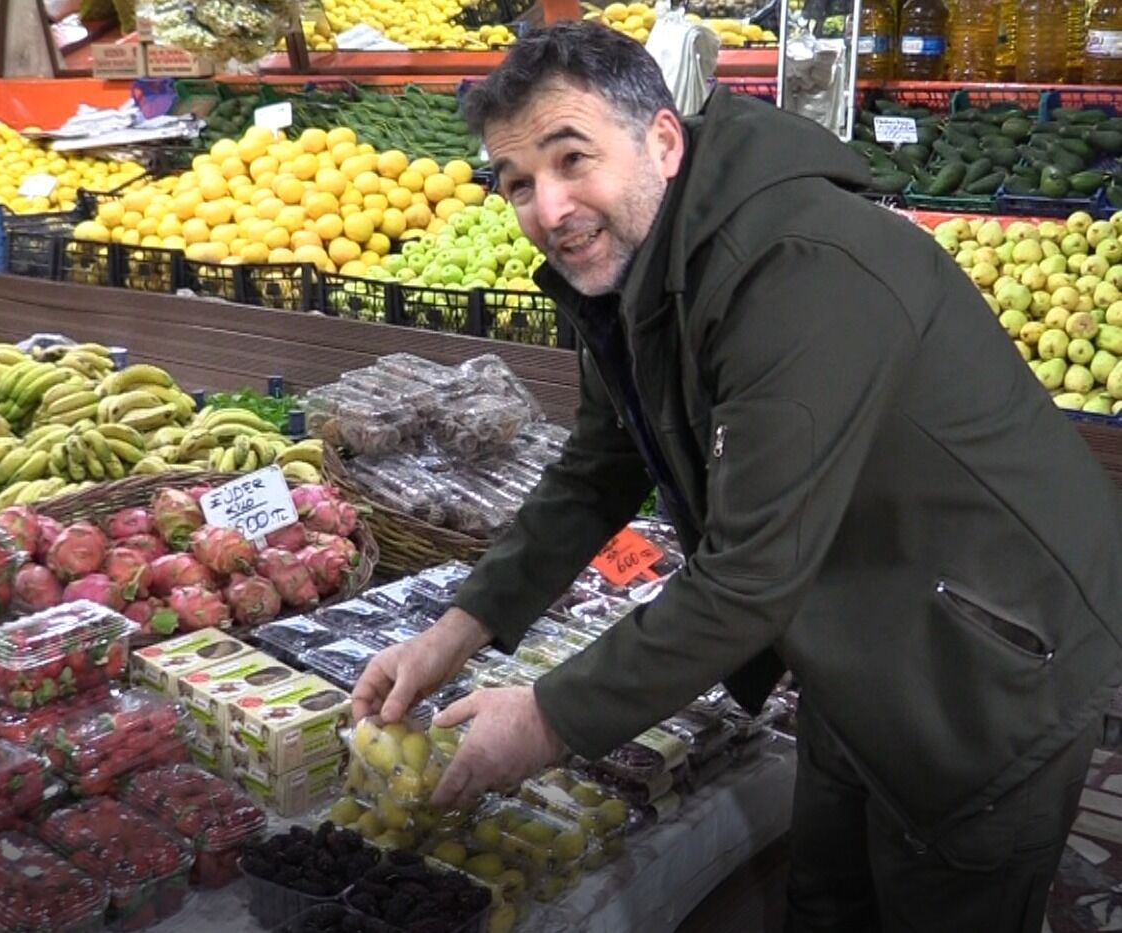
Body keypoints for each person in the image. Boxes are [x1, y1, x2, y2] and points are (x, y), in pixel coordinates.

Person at [351, 20, 1122, 933]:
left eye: (572, 159)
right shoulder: (638, 262)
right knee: (825, 897)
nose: (548, 208)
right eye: (517, 181)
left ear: (662, 141)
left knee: (942, 894)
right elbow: (598, 466)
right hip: (854, 632)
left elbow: (751, 571)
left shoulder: (797, 269)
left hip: (990, 655)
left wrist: (550, 718)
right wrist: (458, 629)